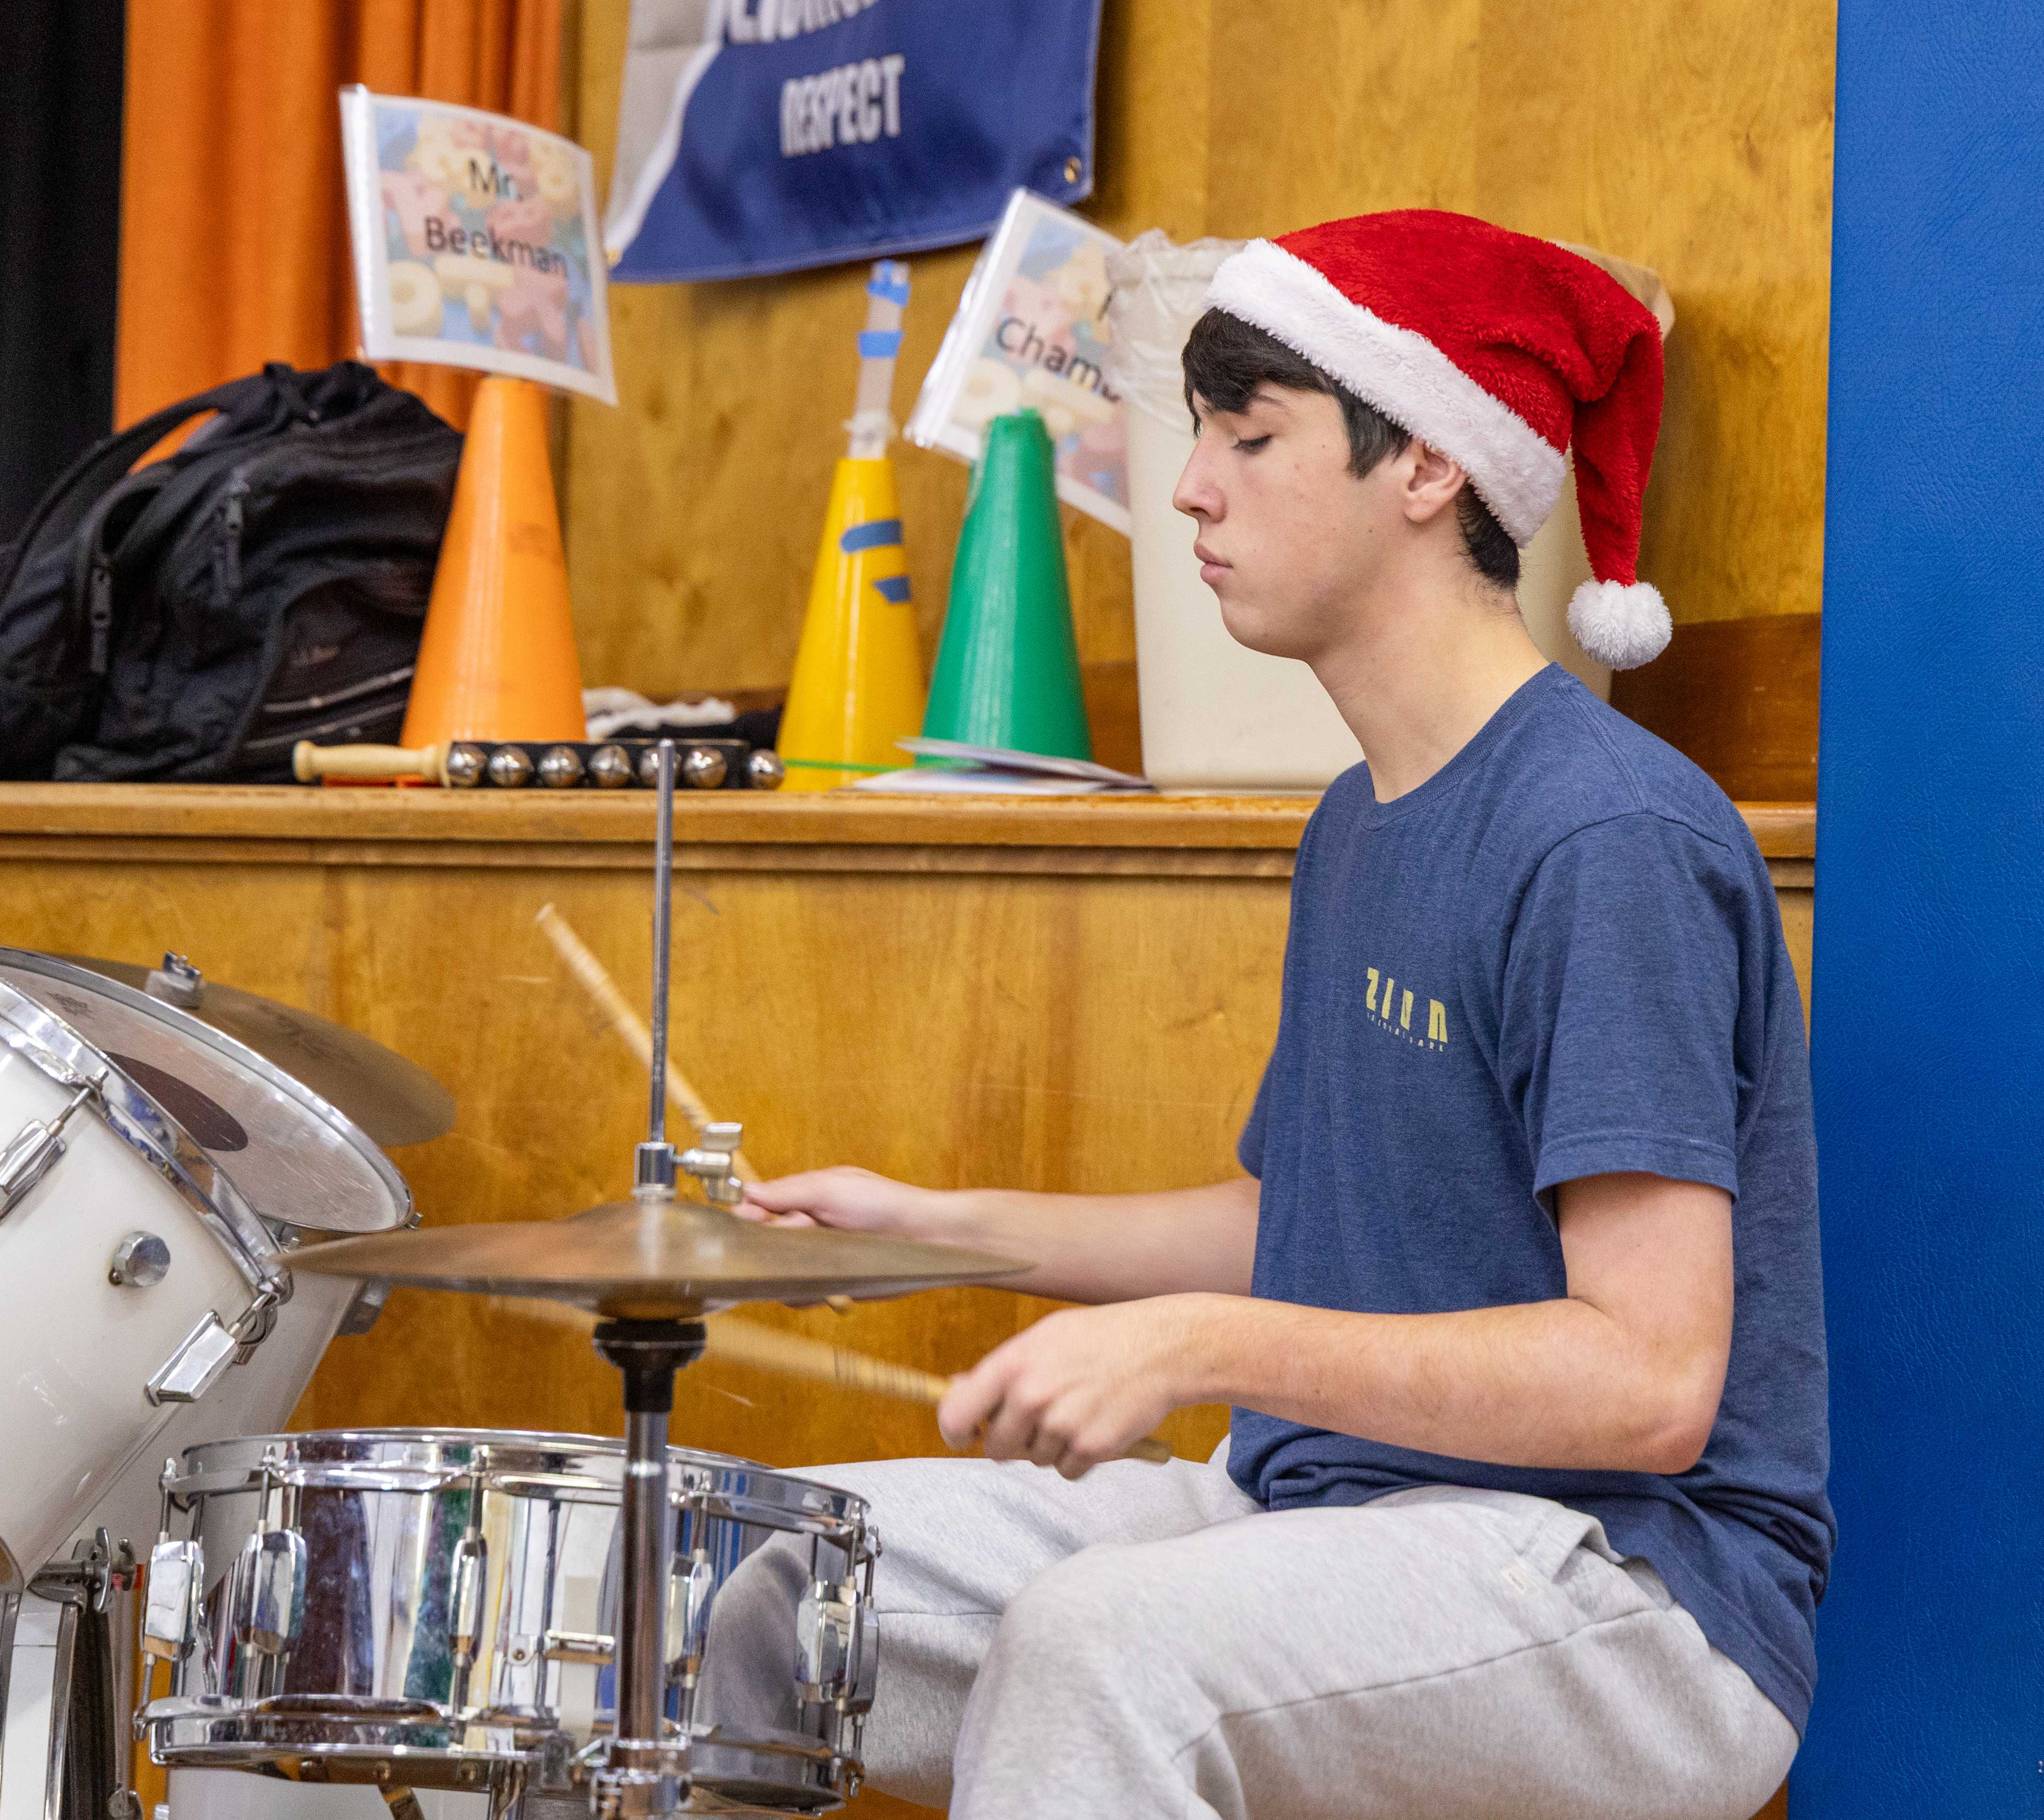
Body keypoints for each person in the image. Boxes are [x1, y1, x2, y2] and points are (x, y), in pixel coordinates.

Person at [733, 211, 1829, 1819]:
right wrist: (927, 1228)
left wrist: (1191, 1349)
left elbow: (1649, 1384)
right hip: (1311, 1507)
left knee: (1103, 1646)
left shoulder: (1602, 839)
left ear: (1429, 466)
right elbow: (1304, 1223)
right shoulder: (1360, 818)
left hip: (1630, 1591)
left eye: (1250, 438)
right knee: (753, 1578)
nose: (1189, 488)